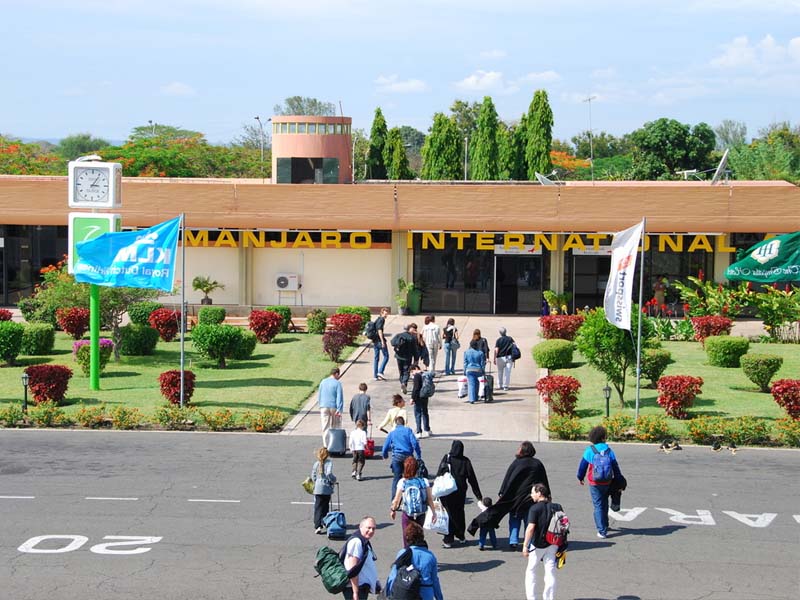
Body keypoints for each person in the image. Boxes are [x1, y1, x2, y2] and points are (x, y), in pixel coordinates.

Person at [467, 441, 550, 549]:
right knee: (529, 520)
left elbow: (508, 479)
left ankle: (513, 540)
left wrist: (502, 493)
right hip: (531, 498)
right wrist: (547, 494)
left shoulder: (517, 463)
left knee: (515, 519)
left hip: (515, 498)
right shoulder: (537, 463)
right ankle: (529, 542)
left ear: (522, 450)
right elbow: (544, 480)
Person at [577, 425, 624, 539]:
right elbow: (615, 467)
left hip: (595, 482)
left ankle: (601, 531)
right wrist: (619, 481)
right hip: (607, 481)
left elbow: (582, 466)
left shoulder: (590, 450)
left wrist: (580, 477)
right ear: (603, 437)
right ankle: (605, 524)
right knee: (604, 503)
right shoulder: (609, 450)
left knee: (598, 505)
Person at [435, 440, 482, 548]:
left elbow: (439, 473)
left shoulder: (447, 458)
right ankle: (461, 535)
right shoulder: (465, 461)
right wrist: (478, 495)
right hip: (460, 493)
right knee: (459, 513)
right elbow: (472, 479)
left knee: (448, 514)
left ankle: (448, 539)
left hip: (447, 492)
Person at [385, 521, 444, 600]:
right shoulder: (430, 556)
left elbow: (393, 576)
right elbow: (435, 580)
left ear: (407, 538)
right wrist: (439, 598)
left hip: (407, 593)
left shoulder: (403, 553)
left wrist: (388, 594)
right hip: (426, 593)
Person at [522, 483, 561, 600]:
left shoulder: (535, 508)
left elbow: (530, 528)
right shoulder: (557, 506)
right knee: (550, 570)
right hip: (554, 543)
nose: (531, 495)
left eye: (533, 492)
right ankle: (549, 598)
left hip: (538, 544)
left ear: (539, 493)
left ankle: (532, 598)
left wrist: (525, 546)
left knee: (531, 570)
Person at [390, 456, 436, 546]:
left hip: (407, 514)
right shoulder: (424, 481)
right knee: (418, 536)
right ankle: (418, 554)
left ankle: (408, 555)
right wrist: (434, 513)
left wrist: (393, 510)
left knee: (407, 537)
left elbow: (396, 500)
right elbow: (429, 499)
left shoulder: (402, 482)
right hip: (420, 513)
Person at [381, 416, 422, 500]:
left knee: (396, 478)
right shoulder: (408, 431)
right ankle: (410, 498)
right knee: (410, 477)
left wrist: (385, 455)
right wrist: (418, 455)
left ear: (396, 423)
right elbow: (415, 443)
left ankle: (395, 500)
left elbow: (385, 446)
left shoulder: (392, 433)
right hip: (408, 457)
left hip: (397, 457)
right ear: (404, 423)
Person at [342, 516, 381, 599]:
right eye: (369, 528)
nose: (371, 531)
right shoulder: (356, 542)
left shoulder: (364, 541)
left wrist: (375, 583)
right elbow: (353, 570)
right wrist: (355, 593)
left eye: (373, 529)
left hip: (362, 588)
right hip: (355, 589)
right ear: (360, 526)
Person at [310, 447, 336, 534]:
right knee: (325, 506)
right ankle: (325, 521)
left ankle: (317, 526)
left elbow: (313, 476)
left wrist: (316, 482)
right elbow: (329, 473)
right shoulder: (329, 463)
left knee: (318, 507)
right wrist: (333, 480)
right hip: (326, 488)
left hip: (317, 488)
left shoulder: (316, 464)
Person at [318, 368, 344, 445]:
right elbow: (339, 397)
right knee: (335, 426)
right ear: (336, 374)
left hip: (324, 406)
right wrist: (339, 409)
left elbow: (320, 394)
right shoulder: (337, 383)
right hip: (334, 406)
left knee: (325, 426)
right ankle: (334, 443)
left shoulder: (323, 382)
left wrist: (320, 405)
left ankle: (326, 445)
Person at [392, 323, 419, 394]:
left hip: (399, 356)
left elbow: (392, 342)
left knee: (400, 371)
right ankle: (404, 383)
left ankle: (402, 383)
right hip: (407, 357)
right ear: (409, 328)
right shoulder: (412, 338)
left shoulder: (399, 335)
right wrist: (416, 359)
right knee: (406, 371)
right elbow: (415, 349)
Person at [409, 363, 432, 438]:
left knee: (418, 414)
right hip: (425, 396)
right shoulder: (425, 374)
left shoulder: (417, 376)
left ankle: (419, 431)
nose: (412, 374)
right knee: (425, 412)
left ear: (415, 369)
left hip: (418, 397)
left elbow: (416, 388)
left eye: (412, 372)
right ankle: (427, 430)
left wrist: (412, 398)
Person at [462, 338, 486, 404]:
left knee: (471, 384)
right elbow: (482, 363)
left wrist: (464, 370)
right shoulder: (480, 353)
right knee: (476, 382)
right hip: (478, 370)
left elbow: (465, 363)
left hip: (469, 369)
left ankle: (472, 399)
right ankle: (476, 397)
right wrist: (483, 370)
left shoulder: (466, 352)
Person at [493, 326, 516, 391]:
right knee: (507, 372)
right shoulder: (510, 339)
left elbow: (496, 350)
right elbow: (514, 346)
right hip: (509, 357)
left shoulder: (498, 340)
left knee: (500, 372)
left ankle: (499, 385)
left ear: (500, 333)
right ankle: (505, 386)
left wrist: (494, 358)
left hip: (500, 358)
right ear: (506, 332)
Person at [372, 307, 390, 381]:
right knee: (386, 356)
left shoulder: (377, 319)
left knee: (376, 358)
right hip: (379, 341)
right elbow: (379, 330)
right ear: (382, 313)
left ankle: (375, 376)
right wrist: (382, 341)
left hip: (375, 341)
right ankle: (380, 371)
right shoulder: (382, 320)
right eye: (385, 314)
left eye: (387, 314)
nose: (386, 315)